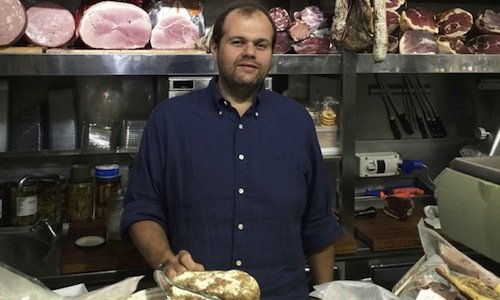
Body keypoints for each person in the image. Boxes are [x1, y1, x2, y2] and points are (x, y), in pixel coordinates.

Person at [120, 1, 343, 298]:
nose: (249, 52)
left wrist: (324, 292)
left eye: (261, 44)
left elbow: (318, 223)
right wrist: (166, 260)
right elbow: (141, 209)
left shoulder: (296, 122)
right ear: (214, 48)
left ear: (271, 54)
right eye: (237, 42)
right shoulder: (169, 120)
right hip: (198, 294)